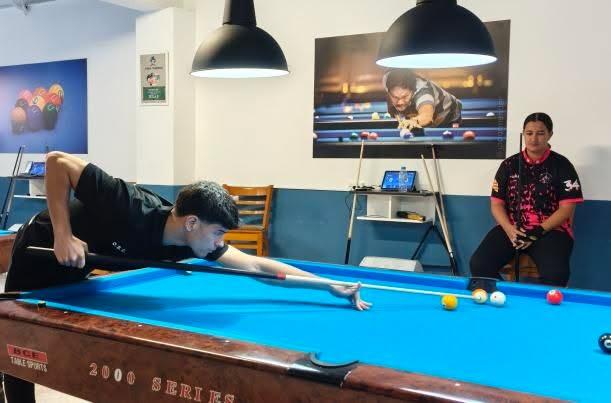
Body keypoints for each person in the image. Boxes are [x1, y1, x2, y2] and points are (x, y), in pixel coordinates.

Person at [2, 152, 371, 402]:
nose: (219, 243)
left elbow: (257, 267)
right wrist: (63, 234)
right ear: (192, 222)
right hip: (40, 248)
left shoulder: (194, 242)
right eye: (218, 233)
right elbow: (57, 162)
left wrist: (326, 285)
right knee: (17, 342)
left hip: (78, 268)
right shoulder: (129, 204)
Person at [470, 112, 583, 286]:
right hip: (513, 230)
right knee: (479, 264)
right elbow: (496, 204)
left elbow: (566, 209)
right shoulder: (509, 165)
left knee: (556, 275)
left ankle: (537, 304)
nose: (534, 139)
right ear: (523, 134)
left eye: (540, 133)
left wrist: (537, 232)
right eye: (529, 133)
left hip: (550, 231)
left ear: (550, 134)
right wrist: (509, 229)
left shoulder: (562, 165)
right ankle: (507, 297)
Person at [383, 69, 462, 133]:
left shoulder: (424, 93)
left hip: (449, 115)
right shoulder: (386, 80)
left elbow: (426, 117)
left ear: (413, 91)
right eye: (395, 97)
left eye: (405, 97)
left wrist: (414, 121)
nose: (400, 102)